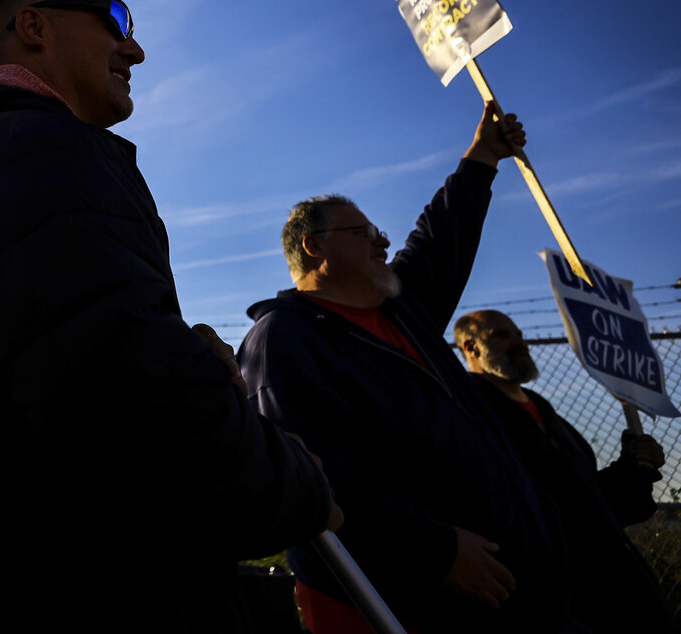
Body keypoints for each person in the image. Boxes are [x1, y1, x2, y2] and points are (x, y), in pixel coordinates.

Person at [0, 0, 340, 634]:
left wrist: (175, 352)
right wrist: (296, 486)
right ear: (33, 26)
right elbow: (131, 405)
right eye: (114, 18)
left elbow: (83, 367)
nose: (135, 48)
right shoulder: (27, 149)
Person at [237, 108, 573, 633]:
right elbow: (316, 477)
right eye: (365, 231)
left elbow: (441, 239)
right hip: (410, 605)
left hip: (515, 589)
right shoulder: (283, 341)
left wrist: (482, 154)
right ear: (314, 246)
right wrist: (436, 552)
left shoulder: (403, 311)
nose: (382, 241)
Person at [455, 309, 674, 632]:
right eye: (501, 335)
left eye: (518, 333)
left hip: (605, 593)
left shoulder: (545, 411)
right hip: (541, 603)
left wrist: (635, 468)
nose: (519, 342)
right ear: (471, 348)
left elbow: (589, 506)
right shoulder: (467, 411)